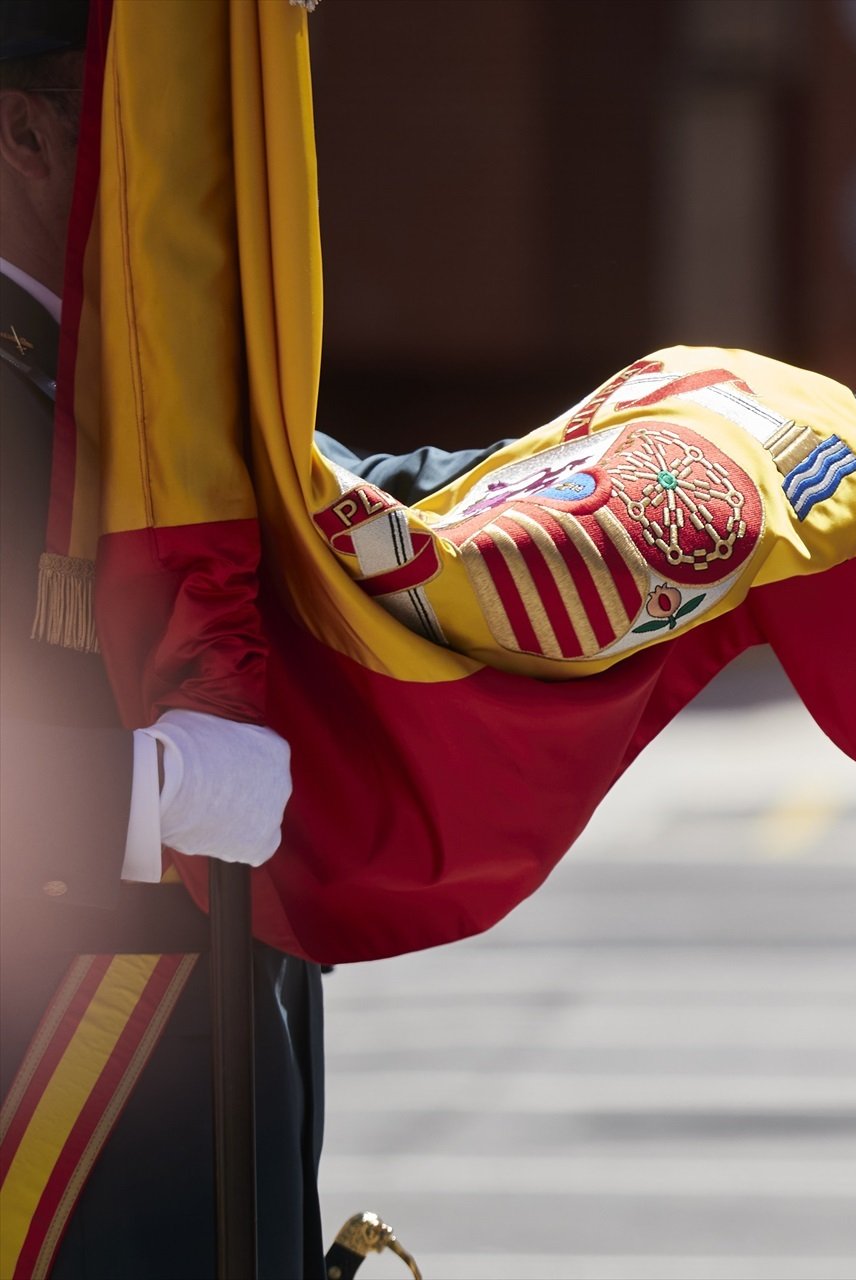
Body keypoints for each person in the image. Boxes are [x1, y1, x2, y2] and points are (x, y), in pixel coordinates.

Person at [2, 5, 313, 1272]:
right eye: (159, 130)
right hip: (52, 1093)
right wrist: (149, 790)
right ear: (26, 132)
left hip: (179, 1088)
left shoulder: (122, 386)